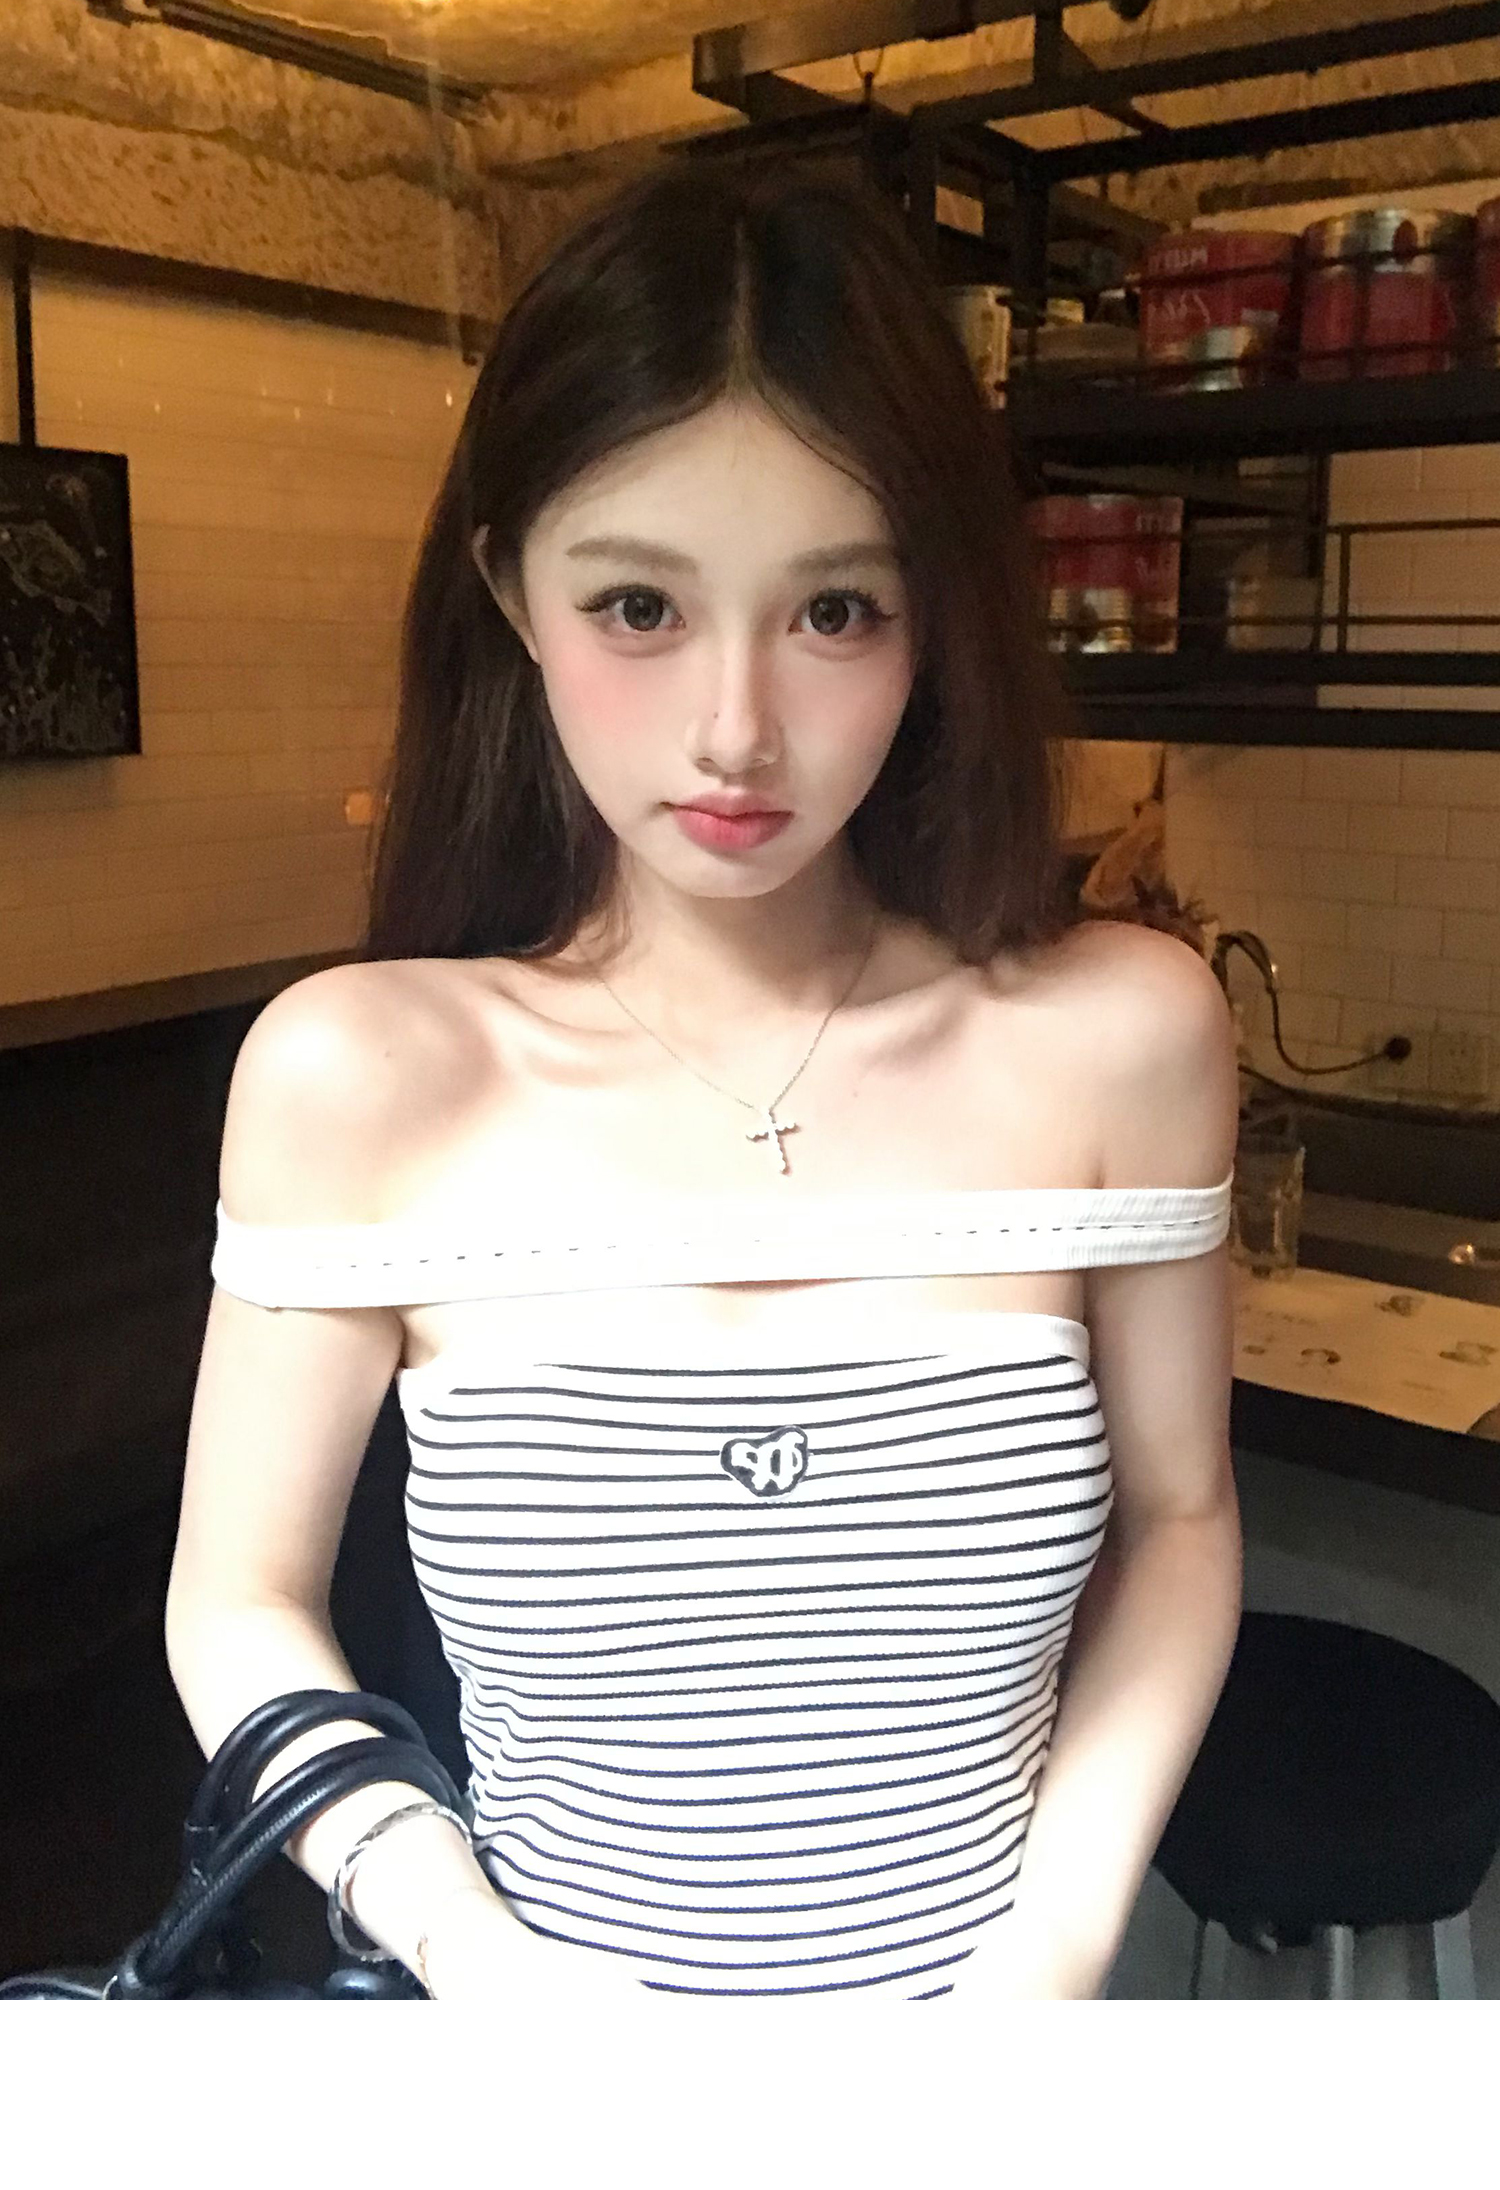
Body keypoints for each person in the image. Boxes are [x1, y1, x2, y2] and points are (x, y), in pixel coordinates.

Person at [164, 162, 1243, 2009]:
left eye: (836, 612)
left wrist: (1052, 1954)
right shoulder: (362, 1079)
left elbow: (1184, 1524)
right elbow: (236, 1599)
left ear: (936, 616)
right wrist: (470, 1949)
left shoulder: (1119, 1039)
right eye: (639, 606)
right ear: (511, 590)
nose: (736, 730)